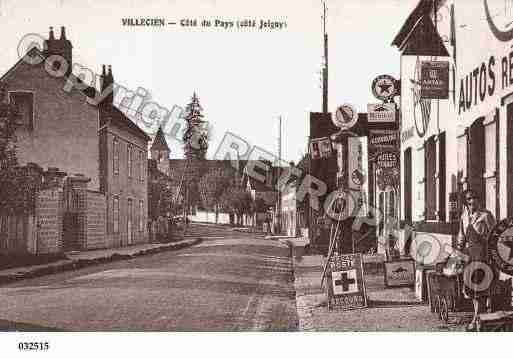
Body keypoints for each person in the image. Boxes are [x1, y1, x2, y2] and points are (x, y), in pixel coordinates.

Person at [457, 189, 496, 330]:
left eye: (474, 198)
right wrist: (459, 250)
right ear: (466, 202)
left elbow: (494, 236)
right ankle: (477, 316)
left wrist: (491, 254)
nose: (472, 201)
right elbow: (461, 236)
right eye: (469, 199)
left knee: (481, 287)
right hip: (469, 255)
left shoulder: (486, 216)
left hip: (483, 255)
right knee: (472, 288)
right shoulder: (464, 216)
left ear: (479, 200)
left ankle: (477, 319)